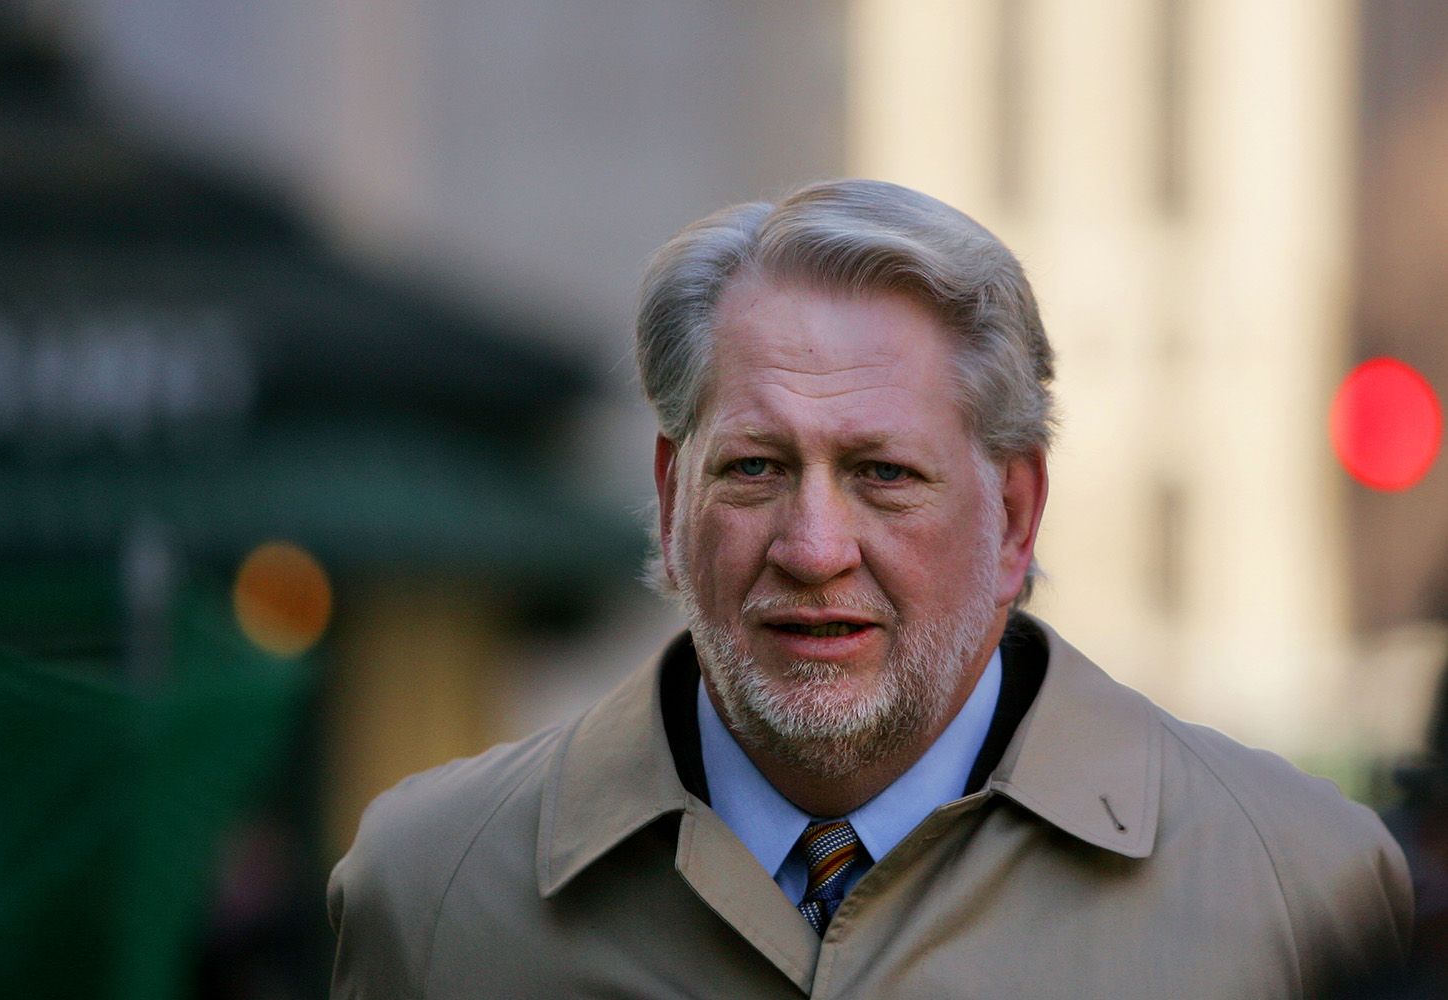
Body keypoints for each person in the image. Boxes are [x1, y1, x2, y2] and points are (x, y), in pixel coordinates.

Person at [328, 179, 1412, 998]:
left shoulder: (1298, 888)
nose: (813, 548)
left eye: (884, 474)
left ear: (1015, 515)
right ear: (670, 496)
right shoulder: (432, 890)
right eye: (755, 468)